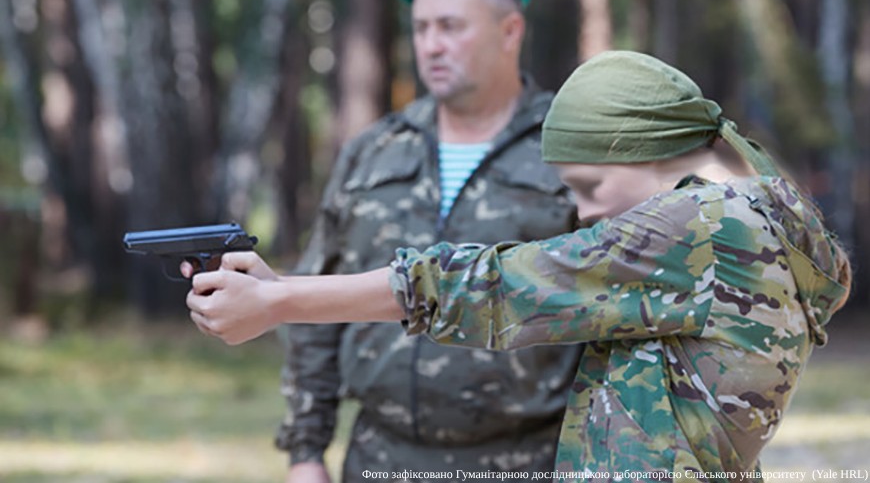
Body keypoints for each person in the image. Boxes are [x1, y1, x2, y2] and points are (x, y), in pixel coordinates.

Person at [185, 50, 851, 477]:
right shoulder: (757, 214)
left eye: (589, 187)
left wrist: (281, 302)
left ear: (646, 151)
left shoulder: (701, 226)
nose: (585, 213)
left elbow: (495, 285)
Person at [271, 0, 583, 482]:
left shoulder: (571, 151)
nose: (431, 46)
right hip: (379, 461)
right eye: (420, 29)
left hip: (530, 461)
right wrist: (305, 452)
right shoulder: (375, 151)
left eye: (450, 27)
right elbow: (314, 295)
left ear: (510, 32)